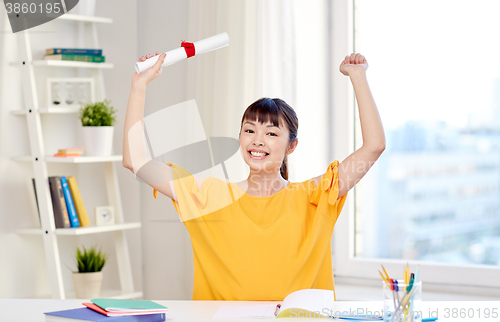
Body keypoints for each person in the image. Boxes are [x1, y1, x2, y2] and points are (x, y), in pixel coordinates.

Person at [122, 52, 385, 301]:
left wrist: (357, 76)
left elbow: (374, 146)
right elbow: (135, 160)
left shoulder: (314, 198)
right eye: (250, 130)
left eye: (271, 133)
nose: (258, 140)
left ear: (291, 146)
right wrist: (139, 86)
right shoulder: (210, 197)